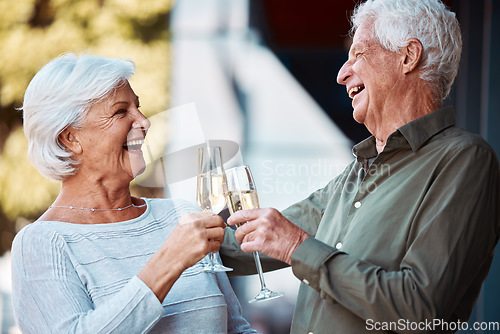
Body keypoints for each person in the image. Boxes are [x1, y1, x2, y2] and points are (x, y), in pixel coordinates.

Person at [224, 0, 500, 333]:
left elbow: (420, 310)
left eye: (359, 55)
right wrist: (162, 223)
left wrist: (297, 247)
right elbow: (252, 242)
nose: (342, 74)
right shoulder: (356, 173)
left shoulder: (465, 159)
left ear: (408, 57)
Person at [11, 53, 256, 334]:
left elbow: (237, 329)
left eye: (138, 108)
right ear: (70, 138)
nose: (144, 121)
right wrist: (170, 260)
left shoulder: (181, 215)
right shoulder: (42, 244)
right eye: (120, 112)